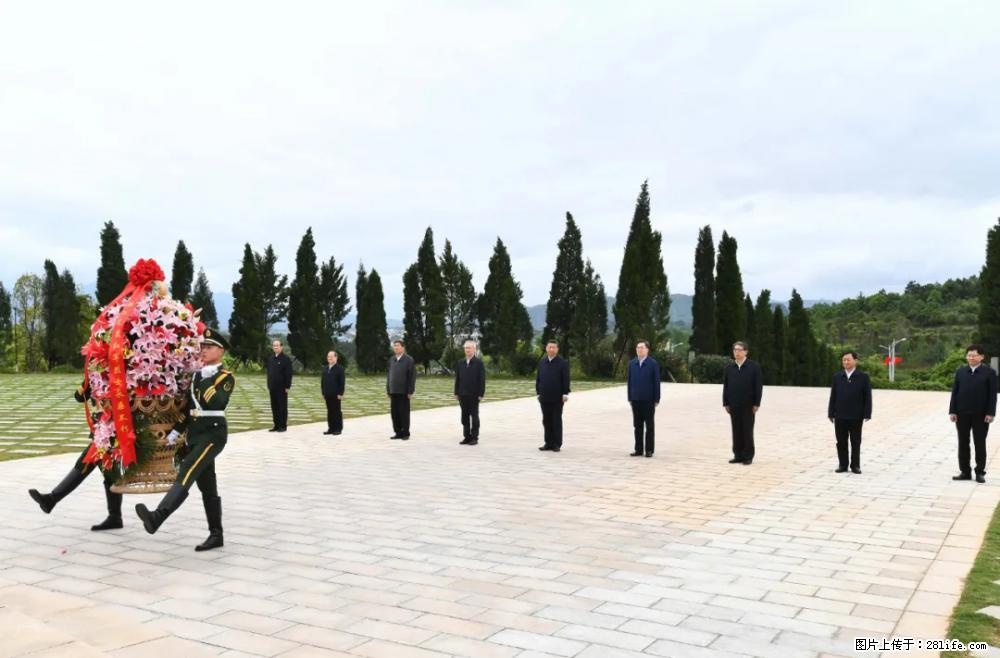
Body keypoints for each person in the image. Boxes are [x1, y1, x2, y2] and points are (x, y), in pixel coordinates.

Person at [135, 328, 235, 551]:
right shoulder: (198, 375)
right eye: (203, 347)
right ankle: (216, 535)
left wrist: (208, 380)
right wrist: (176, 430)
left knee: (187, 471)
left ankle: (157, 517)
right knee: (208, 486)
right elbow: (191, 408)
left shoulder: (225, 377)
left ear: (220, 351)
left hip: (213, 435)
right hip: (196, 434)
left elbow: (216, 403)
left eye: (209, 347)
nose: (204, 351)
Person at [27, 378, 124, 531]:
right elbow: (79, 397)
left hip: (114, 429)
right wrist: (88, 382)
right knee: (107, 472)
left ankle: (52, 499)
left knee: (91, 465)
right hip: (102, 430)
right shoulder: (96, 373)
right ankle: (115, 517)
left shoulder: (116, 370)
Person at [949, 344, 998, 483]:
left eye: (974, 355)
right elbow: (955, 393)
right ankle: (965, 471)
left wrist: (990, 413)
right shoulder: (960, 372)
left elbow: (992, 396)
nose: (971, 357)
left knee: (979, 443)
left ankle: (980, 472)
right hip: (962, 413)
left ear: (981, 357)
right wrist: (952, 411)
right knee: (963, 442)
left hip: (981, 415)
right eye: (969, 355)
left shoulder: (989, 373)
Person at [827, 350, 872, 474]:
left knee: (855, 441)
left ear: (855, 361)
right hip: (840, 415)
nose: (846, 362)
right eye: (844, 360)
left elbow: (867, 396)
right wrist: (831, 413)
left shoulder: (863, 377)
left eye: (848, 359)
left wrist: (867, 413)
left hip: (856, 415)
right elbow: (833, 396)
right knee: (841, 441)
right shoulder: (837, 377)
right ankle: (843, 464)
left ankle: (855, 465)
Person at [722, 341, 763, 465]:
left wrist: (757, 403)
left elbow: (758, 387)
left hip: (748, 405)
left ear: (746, 352)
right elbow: (726, 387)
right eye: (735, 350)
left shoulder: (754, 367)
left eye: (740, 350)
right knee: (736, 430)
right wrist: (726, 403)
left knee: (747, 430)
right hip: (733, 405)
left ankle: (748, 456)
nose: (737, 352)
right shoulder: (730, 368)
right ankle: (738, 454)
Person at [626, 340, 660, 458]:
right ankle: (638, 449)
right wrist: (630, 397)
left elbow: (656, 383)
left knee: (649, 425)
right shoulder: (632, 363)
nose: (639, 350)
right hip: (635, 399)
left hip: (648, 400)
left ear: (647, 350)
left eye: (641, 347)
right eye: (637, 348)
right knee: (637, 425)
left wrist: (657, 398)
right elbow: (629, 382)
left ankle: (649, 450)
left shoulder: (652, 364)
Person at [536, 340, 570, 452]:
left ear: (557, 349)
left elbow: (566, 379)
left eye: (553, 347)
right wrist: (538, 392)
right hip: (544, 396)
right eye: (549, 347)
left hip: (557, 397)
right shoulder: (542, 362)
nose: (551, 349)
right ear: (546, 348)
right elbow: (538, 378)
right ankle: (548, 442)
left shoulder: (562, 363)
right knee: (546, 420)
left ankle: (557, 443)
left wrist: (565, 393)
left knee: (556, 419)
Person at [454, 339, 486, 445]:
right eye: (465, 348)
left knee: (474, 416)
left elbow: (482, 380)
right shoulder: (460, 363)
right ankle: (466, 436)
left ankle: (474, 437)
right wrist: (456, 392)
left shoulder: (479, 363)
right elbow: (457, 378)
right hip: (462, 394)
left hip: (474, 395)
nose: (467, 350)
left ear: (474, 349)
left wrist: (481, 394)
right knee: (464, 417)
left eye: (469, 348)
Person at [387, 339, 416, 440]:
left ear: (403, 347)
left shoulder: (409, 360)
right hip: (393, 391)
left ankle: (406, 433)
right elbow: (389, 375)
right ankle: (398, 432)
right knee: (394, 414)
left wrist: (410, 391)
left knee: (404, 413)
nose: (395, 347)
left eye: (398, 346)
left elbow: (412, 377)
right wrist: (388, 389)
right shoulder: (392, 359)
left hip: (404, 392)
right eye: (394, 346)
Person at [267, 339, 293, 432]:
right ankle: (276, 425)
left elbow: (289, 374)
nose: (275, 347)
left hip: (282, 388)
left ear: (281, 347)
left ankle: (283, 426)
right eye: (274, 346)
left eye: (277, 346)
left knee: (282, 406)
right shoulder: (271, 359)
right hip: (272, 387)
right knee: (274, 406)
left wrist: (287, 386)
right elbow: (269, 373)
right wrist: (269, 384)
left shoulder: (286, 359)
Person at [321, 350, 346, 435]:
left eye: (331, 357)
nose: (329, 358)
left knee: (336, 411)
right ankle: (331, 428)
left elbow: (342, 382)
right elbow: (322, 381)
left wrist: (341, 393)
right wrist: (323, 392)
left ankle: (338, 429)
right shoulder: (325, 368)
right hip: (327, 394)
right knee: (330, 411)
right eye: (328, 357)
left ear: (336, 357)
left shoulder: (339, 369)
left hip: (336, 394)